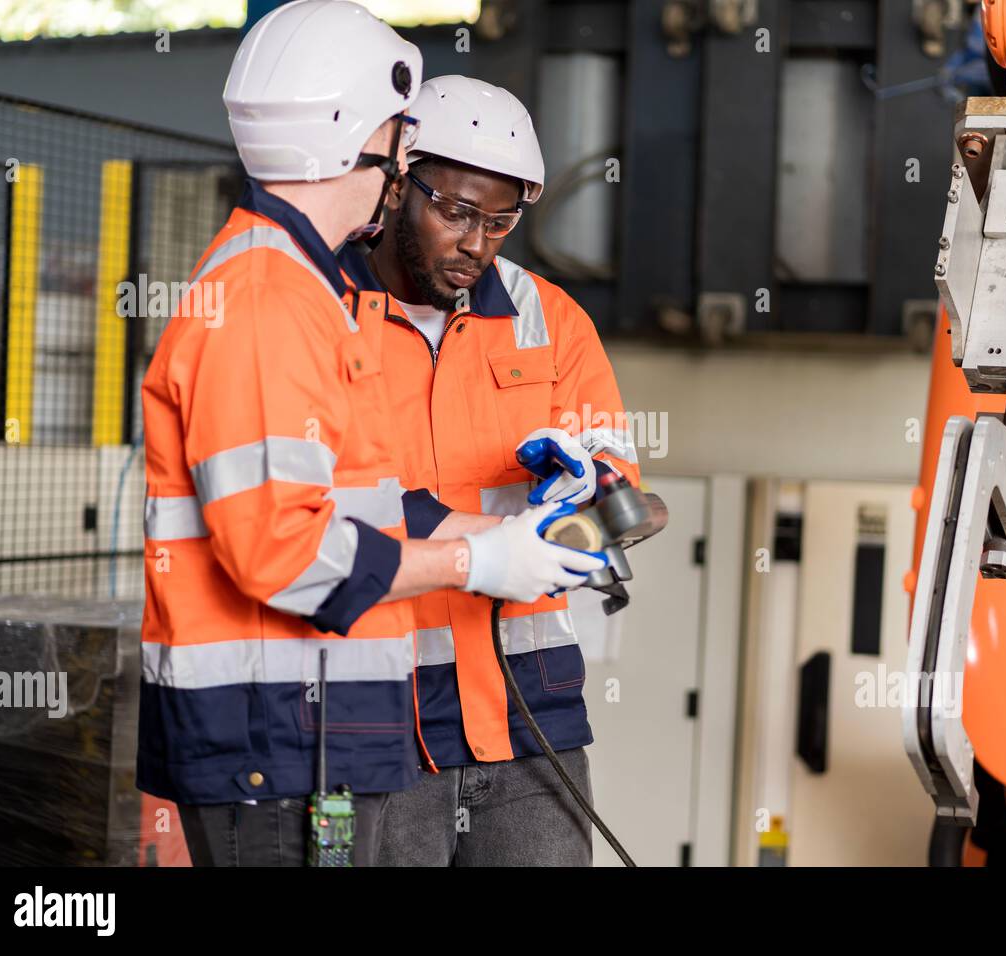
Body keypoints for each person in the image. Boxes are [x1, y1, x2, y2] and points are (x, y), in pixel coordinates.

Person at [137, 6, 604, 867]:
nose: (395, 162)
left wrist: (553, 515)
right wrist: (478, 559)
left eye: (498, 222)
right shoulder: (278, 301)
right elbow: (278, 548)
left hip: (340, 729)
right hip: (278, 738)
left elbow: (359, 502)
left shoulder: (291, 290)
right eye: (396, 139)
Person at [358, 75, 641, 866]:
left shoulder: (549, 318)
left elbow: (624, 498)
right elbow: (327, 502)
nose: (478, 242)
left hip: (530, 720)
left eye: (503, 220)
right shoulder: (328, 314)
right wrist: (478, 540)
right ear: (397, 184)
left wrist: (588, 492)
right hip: (383, 720)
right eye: (455, 212)